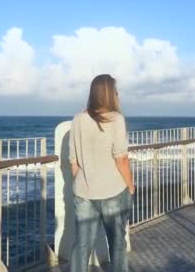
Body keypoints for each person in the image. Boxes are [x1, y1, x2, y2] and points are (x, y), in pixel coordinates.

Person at [68, 74, 135, 272]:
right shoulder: (117, 119)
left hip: (84, 192)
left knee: (81, 246)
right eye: (115, 90)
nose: (118, 94)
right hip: (113, 190)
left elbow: (74, 161)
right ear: (109, 94)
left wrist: (84, 183)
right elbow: (120, 158)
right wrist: (130, 186)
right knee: (117, 244)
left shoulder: (78, 119)